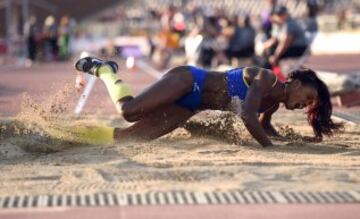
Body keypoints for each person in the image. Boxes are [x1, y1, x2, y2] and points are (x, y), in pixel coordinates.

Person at [73, 56, 342, 147]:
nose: (303, 105)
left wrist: (293, 140)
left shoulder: (271, 103)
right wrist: (271, 148)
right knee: (129, 111)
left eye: (308, 105)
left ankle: (71, 137)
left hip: (190, 106)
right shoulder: (267, 79)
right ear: (294, 82)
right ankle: (105, 70)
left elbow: (264, 126)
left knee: (130, 138)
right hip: (189, 81)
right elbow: (248, 118)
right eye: (306, 97)